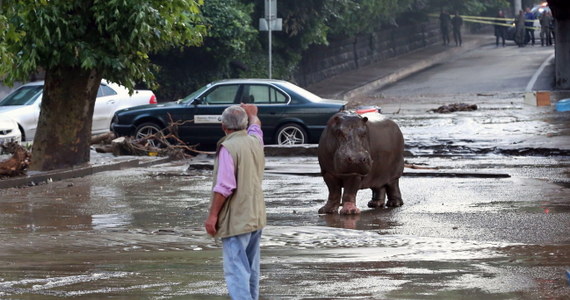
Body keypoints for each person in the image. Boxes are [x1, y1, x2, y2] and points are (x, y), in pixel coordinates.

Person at [204, 103, 266, 300]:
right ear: (245, 124)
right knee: (251, 267)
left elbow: (224, 187)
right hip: (256, 216)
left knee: (236, 269)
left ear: (223, 126)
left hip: (237, 220)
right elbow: (256, 126)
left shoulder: (228, 147)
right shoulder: (255, 140)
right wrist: (253, 114)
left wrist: (212, 216)